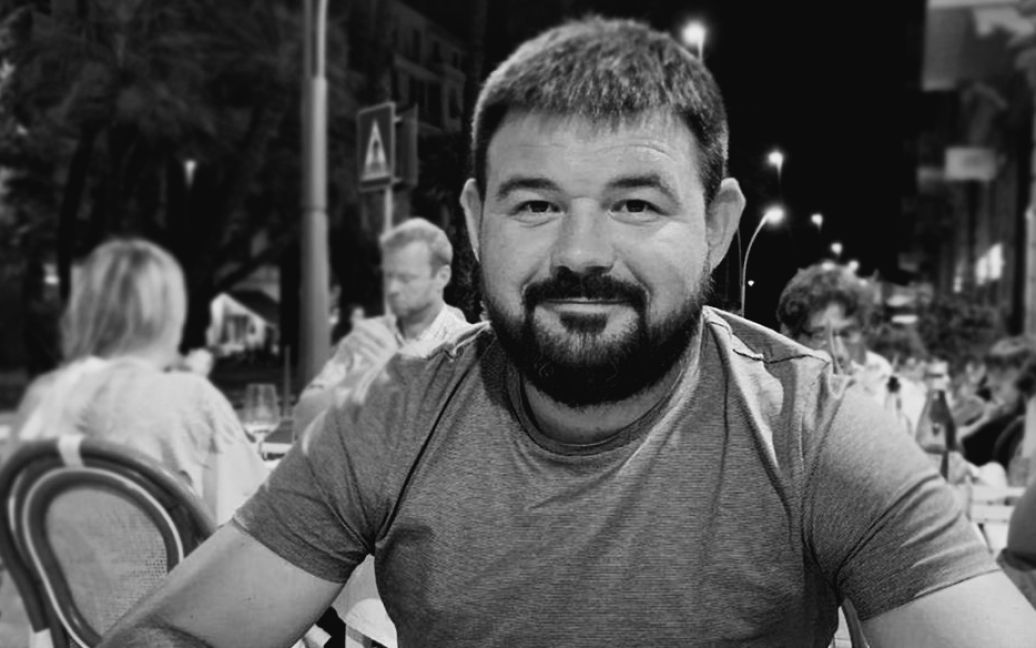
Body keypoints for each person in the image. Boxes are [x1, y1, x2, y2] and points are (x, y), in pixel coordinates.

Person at [99, 18, 1036, 647]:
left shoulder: (812, 429)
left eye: (636, 204)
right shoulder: (387, 418)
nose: (582, 252)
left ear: (717, 227)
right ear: (477, 225)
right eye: (537, 204)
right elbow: (171, 633)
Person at [9, 238, 267, 524]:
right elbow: (257, 520)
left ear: (83, 309)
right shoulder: (193, 399)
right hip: (169, 555)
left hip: (56, 554)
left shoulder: (42, 396)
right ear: (171, 314)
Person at [291, 217, 470, 437]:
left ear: (442, 277)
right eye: (389, 276)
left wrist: (395, 373)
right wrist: (352, 384)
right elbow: (302, 420)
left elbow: (460, 441)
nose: (392, 288)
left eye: (406, 278)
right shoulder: (365, 338)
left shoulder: (468, 347)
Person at [775, 262, 926, 431]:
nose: (838, 352)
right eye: (820, 336)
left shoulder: (891, 392)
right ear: (793, 339)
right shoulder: (776, 401)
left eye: (847, 333)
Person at [961, 336, 1036, 471]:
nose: (990, 383)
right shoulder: (999, 424)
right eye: (991, 373)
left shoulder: (1025, 422)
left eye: (1003, 375)